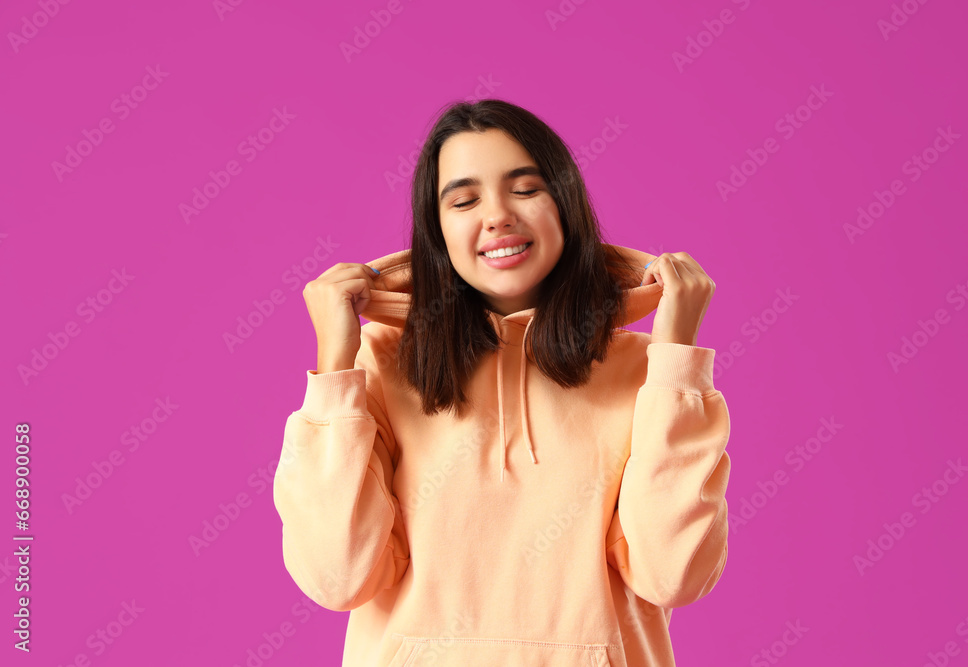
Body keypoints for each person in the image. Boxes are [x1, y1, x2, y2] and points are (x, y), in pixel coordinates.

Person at [273, 99, 732, 667]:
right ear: (437, 231)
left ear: (565, 204)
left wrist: (676, 359)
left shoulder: (651, 373)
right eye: (464, 200)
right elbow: (337, 576)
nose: (497, 217)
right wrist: (336, 364)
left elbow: (673, 573)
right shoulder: (382, 364)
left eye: (525, 189)